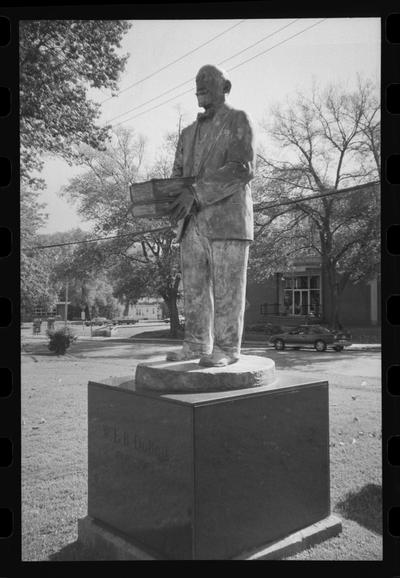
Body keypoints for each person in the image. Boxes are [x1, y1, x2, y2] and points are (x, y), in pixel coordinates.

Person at [166, 64, 256, 367]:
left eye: (207, 80)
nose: (200, 85)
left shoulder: (238, 119)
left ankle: (228, 348)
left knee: (228, 289)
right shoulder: (187, 133)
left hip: (228, 223)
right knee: (193, 290)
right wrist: (164, 199)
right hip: (190, 224)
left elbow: (241, 168)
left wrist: (197, 192)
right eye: (197, 81)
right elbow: (177, 176)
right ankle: (195, 345)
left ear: (225, 86)